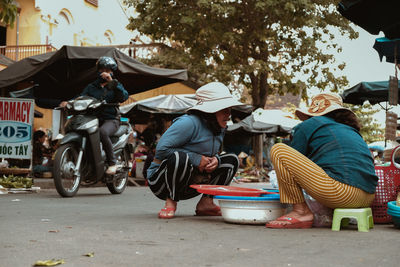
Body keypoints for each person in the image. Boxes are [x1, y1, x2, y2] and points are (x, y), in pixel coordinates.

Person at [265, 93, 378, 229]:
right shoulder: (350, 130)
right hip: (368, 197)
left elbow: (291, 163)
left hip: (343, 194)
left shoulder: (310, 124)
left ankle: (301, 212)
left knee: (279, 150)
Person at [146, 82, 244, 219]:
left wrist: (215, 159)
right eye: (224, 110)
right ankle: (170, 202)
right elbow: (161, 150)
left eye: (229, 109)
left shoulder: (219, 127)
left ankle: (206, 203)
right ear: (211, 111)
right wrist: (196, 159)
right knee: (180, 157)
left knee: (231, 159)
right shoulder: (188, 123)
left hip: (192, 183)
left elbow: (212, 153)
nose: (229, 114)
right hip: (162, 184)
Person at [60, 56, 129, 174]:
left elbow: (124, 97)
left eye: (107, 70)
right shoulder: (92, 87)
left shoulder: (116, 85)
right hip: (92, 118)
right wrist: (69, 102)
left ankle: (112, 163)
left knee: (102, 132)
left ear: (112, 71)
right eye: (102, 69)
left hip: (111, 119)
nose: (104, 72)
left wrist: (111, 82)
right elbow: (81, 97)